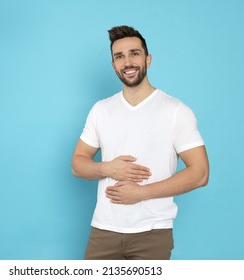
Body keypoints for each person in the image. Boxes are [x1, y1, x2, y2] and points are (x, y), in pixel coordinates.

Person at [71, 25, 209, 260]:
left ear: (148, 59)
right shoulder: (101, 110)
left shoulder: (176, 111)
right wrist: (106, 167)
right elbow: (77, 164)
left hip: (152, 234)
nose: (127, 62)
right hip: (103, 231)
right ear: (114, 65)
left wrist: (142, 193)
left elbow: (200, 173)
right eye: (119, 56)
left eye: (134, 53)